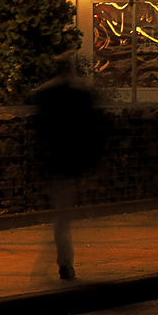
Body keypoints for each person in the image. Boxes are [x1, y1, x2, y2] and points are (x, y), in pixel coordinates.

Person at [30, 54, 107, 281]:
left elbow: (40, 130)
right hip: (76, 161)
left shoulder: (45, 94)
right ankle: (65, 261)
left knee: (61, 214)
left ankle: (65, 260)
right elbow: (94, 128)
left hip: (56, 162)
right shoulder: (82, 93)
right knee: (67, 214)